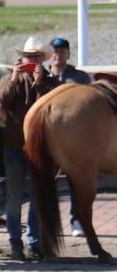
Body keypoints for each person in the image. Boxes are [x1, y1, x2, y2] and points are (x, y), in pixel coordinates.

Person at [0, 35, 60, 261]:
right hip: (14, 147)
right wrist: (14, 79)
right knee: (13, 198)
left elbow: (50, 108)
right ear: (20, 58)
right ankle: (15, 242)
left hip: (39, 149)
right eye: (27, 57)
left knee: (36, 197)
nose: (31, 61)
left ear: (42, 59)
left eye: (35, 58)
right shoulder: (8, 79)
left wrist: (39, 83)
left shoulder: (51, 83)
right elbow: (3, 103)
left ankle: (34, 242)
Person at [45, 37, 92, 236]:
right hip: (48, 138)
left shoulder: (79, 77)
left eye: (62, 51)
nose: (58, 55)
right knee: (47, 183)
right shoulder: (42, 76)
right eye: (55, 51)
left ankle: (77, 221)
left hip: (74, 140)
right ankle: (49, 224)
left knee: (76, 182)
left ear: (68, 54)